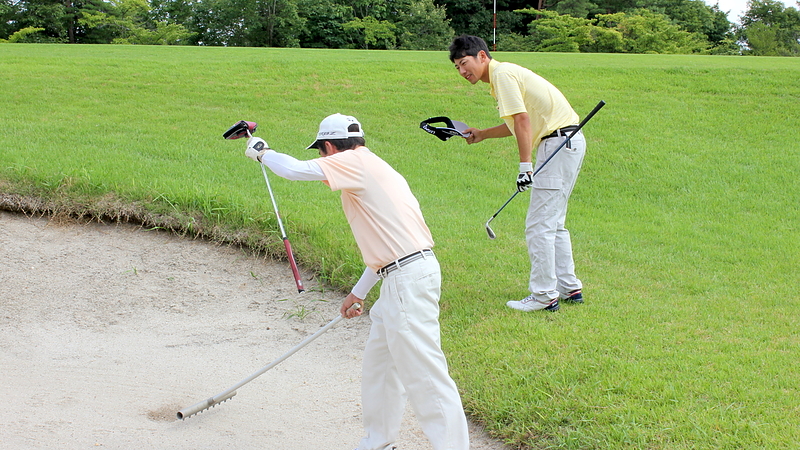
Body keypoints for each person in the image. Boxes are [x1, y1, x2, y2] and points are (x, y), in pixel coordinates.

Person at [243, 113, 470, 450]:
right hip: (401, 275)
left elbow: (293, 170)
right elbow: (389, 248)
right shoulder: (374, 167)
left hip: (407, 280)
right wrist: (358, 292)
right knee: (380, 368)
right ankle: (378, 443)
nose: (322, 160)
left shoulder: (353, 162)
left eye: (322, 152)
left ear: (331, 147)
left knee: (425, 374)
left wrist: (262, 151)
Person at [448, 35, 586, 312]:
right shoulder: (504, 75)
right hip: (567, 141)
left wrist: (525, 166)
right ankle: (569, 288)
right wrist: (483, 134)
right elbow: (518, 121)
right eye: (457, 67)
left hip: (557, 142)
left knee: (539, 225)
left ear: (482, 57)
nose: (463, 71)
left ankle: (544, 295)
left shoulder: (502, 75)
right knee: (553, 222)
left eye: (465, 63)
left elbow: (522, 120)